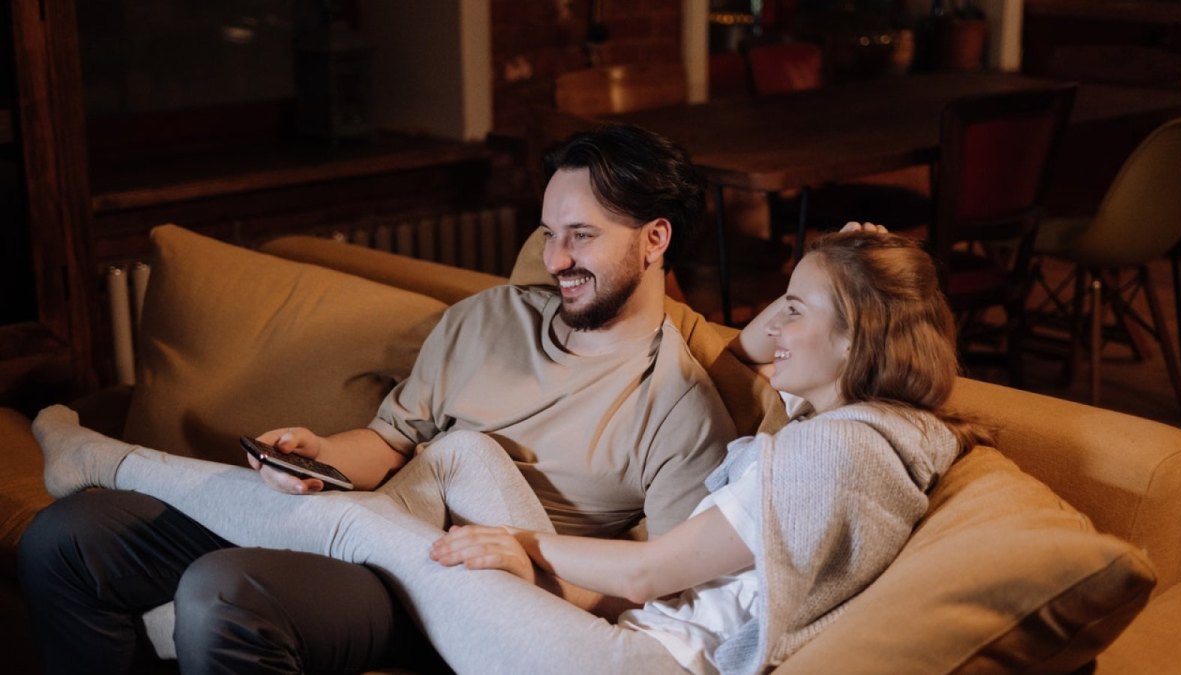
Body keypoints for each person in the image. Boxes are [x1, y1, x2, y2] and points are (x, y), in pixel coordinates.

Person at [27, 230, 984, 674]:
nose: (771, 324)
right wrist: (842, 263)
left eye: (797, 307)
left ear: (854, 345)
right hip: (625, 627)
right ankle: (301, 518)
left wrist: (522, 552)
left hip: (631, 664)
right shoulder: (835, 429)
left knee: (368, 531)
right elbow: (751, 358)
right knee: (465, 449)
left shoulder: (844, 452)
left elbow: (656, 567)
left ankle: (109, 463)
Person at [18, 124, 738, 675]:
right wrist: (321, 454)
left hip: (453, 587)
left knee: (225, 590)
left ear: (654, 239)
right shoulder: (487, 320)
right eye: (550, 234)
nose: (555, 260)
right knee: (70, 535)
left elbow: (667, 588)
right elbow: (390, 442)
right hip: (366, 514)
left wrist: (541, 578)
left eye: (580, 236)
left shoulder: (680, 409)